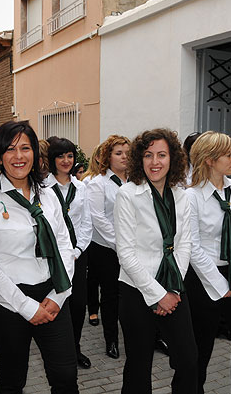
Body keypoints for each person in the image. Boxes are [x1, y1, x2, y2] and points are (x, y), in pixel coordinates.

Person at [0, 121, 78, 393]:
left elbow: (64, 244)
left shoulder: (49, 195)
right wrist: (28, 307)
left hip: (53, 293)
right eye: (11, 149)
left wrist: (57, 296)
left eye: (26, 148)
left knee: (65, 376)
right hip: (9, 301)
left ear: (36, 155)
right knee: (11, 379)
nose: (19, 156)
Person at [114, 128, 197, 393]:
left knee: (188, 359)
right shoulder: (128, 195)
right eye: (148, 155)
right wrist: (156, 294)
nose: (155, 162)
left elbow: (184, 244)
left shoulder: (182, 196)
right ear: (139, 159)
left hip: (173, 287)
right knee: (139, 365)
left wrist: (171, 289)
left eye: (162, 155)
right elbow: (125, 253)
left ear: (173, 158)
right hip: (136, 289)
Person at [185, 131, 231, 394]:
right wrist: (220, 284)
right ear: (210, 160)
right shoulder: (190, 197)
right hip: (204, 280)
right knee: (201, 349)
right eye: (228, 155)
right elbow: (192, 246)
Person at [45, 137, 93, 369]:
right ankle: (58, 352)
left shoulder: (81, 187)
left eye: (70, 156)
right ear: (52, 159)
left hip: (77, 255)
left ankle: (75, 349)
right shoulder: (42, 188)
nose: (66, 161)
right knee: (56, 303)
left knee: (77, 304)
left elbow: (87, 223)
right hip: (52, 257)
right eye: (61, 156)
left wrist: (77, 250)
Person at [86, 135, 130, 359]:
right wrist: (119, 244)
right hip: (106, 249)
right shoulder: (98, 183)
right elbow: (98, 218)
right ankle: (111, 340)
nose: (124, 157)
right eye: (118, 153)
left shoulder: (137, 181)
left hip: (132, 248)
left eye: (126, 152)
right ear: (108, 156)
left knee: (133, 294)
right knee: (111, 295)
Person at [82, 144, 103, 327]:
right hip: (94, 238)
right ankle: (94, 310)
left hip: (110, 240)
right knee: (94, 277)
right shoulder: (89, 181)